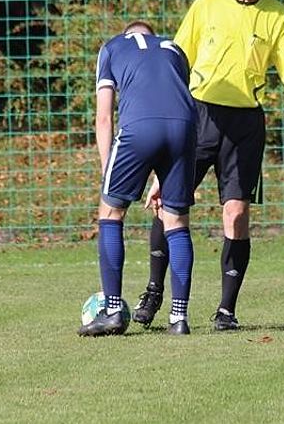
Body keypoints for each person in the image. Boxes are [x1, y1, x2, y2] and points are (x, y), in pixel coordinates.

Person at [134, 0, 284, 331]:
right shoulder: (207, 4)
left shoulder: (277, 17)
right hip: (198, 115)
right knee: (170, 204)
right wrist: (164, 111)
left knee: (236, 214)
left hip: (245, 127)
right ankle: (153, 292)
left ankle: (226, 310)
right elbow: (176, 59)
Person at [78, 21, 197, 337]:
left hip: (139, 128)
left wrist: (109, 171)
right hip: (185, 129)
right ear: (151, 36)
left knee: (111, 212)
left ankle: (113, 311)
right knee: (176, 221)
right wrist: (160, 175)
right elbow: (171, 101)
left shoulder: (112, 47)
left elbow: (104, 116)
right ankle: (179, 318)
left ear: (128, 34)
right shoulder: (174, 49)